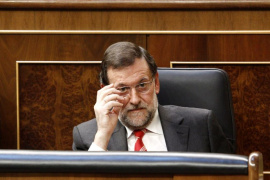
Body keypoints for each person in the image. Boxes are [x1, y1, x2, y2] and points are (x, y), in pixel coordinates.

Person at [72, 41, 233, 153]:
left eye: (142, 85)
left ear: (155, 83)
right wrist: (103, 136)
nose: (134, 100)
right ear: (106, 92)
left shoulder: (201, 126)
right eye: (122, 89)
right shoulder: (87, 136)